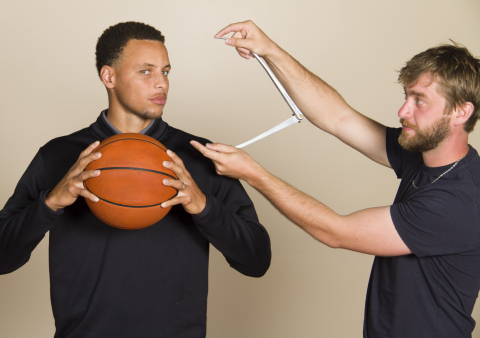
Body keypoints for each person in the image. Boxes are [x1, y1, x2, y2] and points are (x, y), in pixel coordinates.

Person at [193, 20, 480, 337]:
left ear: (461, 113)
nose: (402, 110)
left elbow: (335, 231)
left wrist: (253, 173)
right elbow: (337, 116)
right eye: (406, 96)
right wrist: (269, 49)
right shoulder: (425, 151)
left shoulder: (459, 202)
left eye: (419, 100)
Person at [0, 21, 271, 338]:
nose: (162, 84)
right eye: (146, 72)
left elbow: (257, 260)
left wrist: (203, 206)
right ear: (108, 76)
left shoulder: (198, 156)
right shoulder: (58, 156)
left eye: (165, 72)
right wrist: (51, 202)